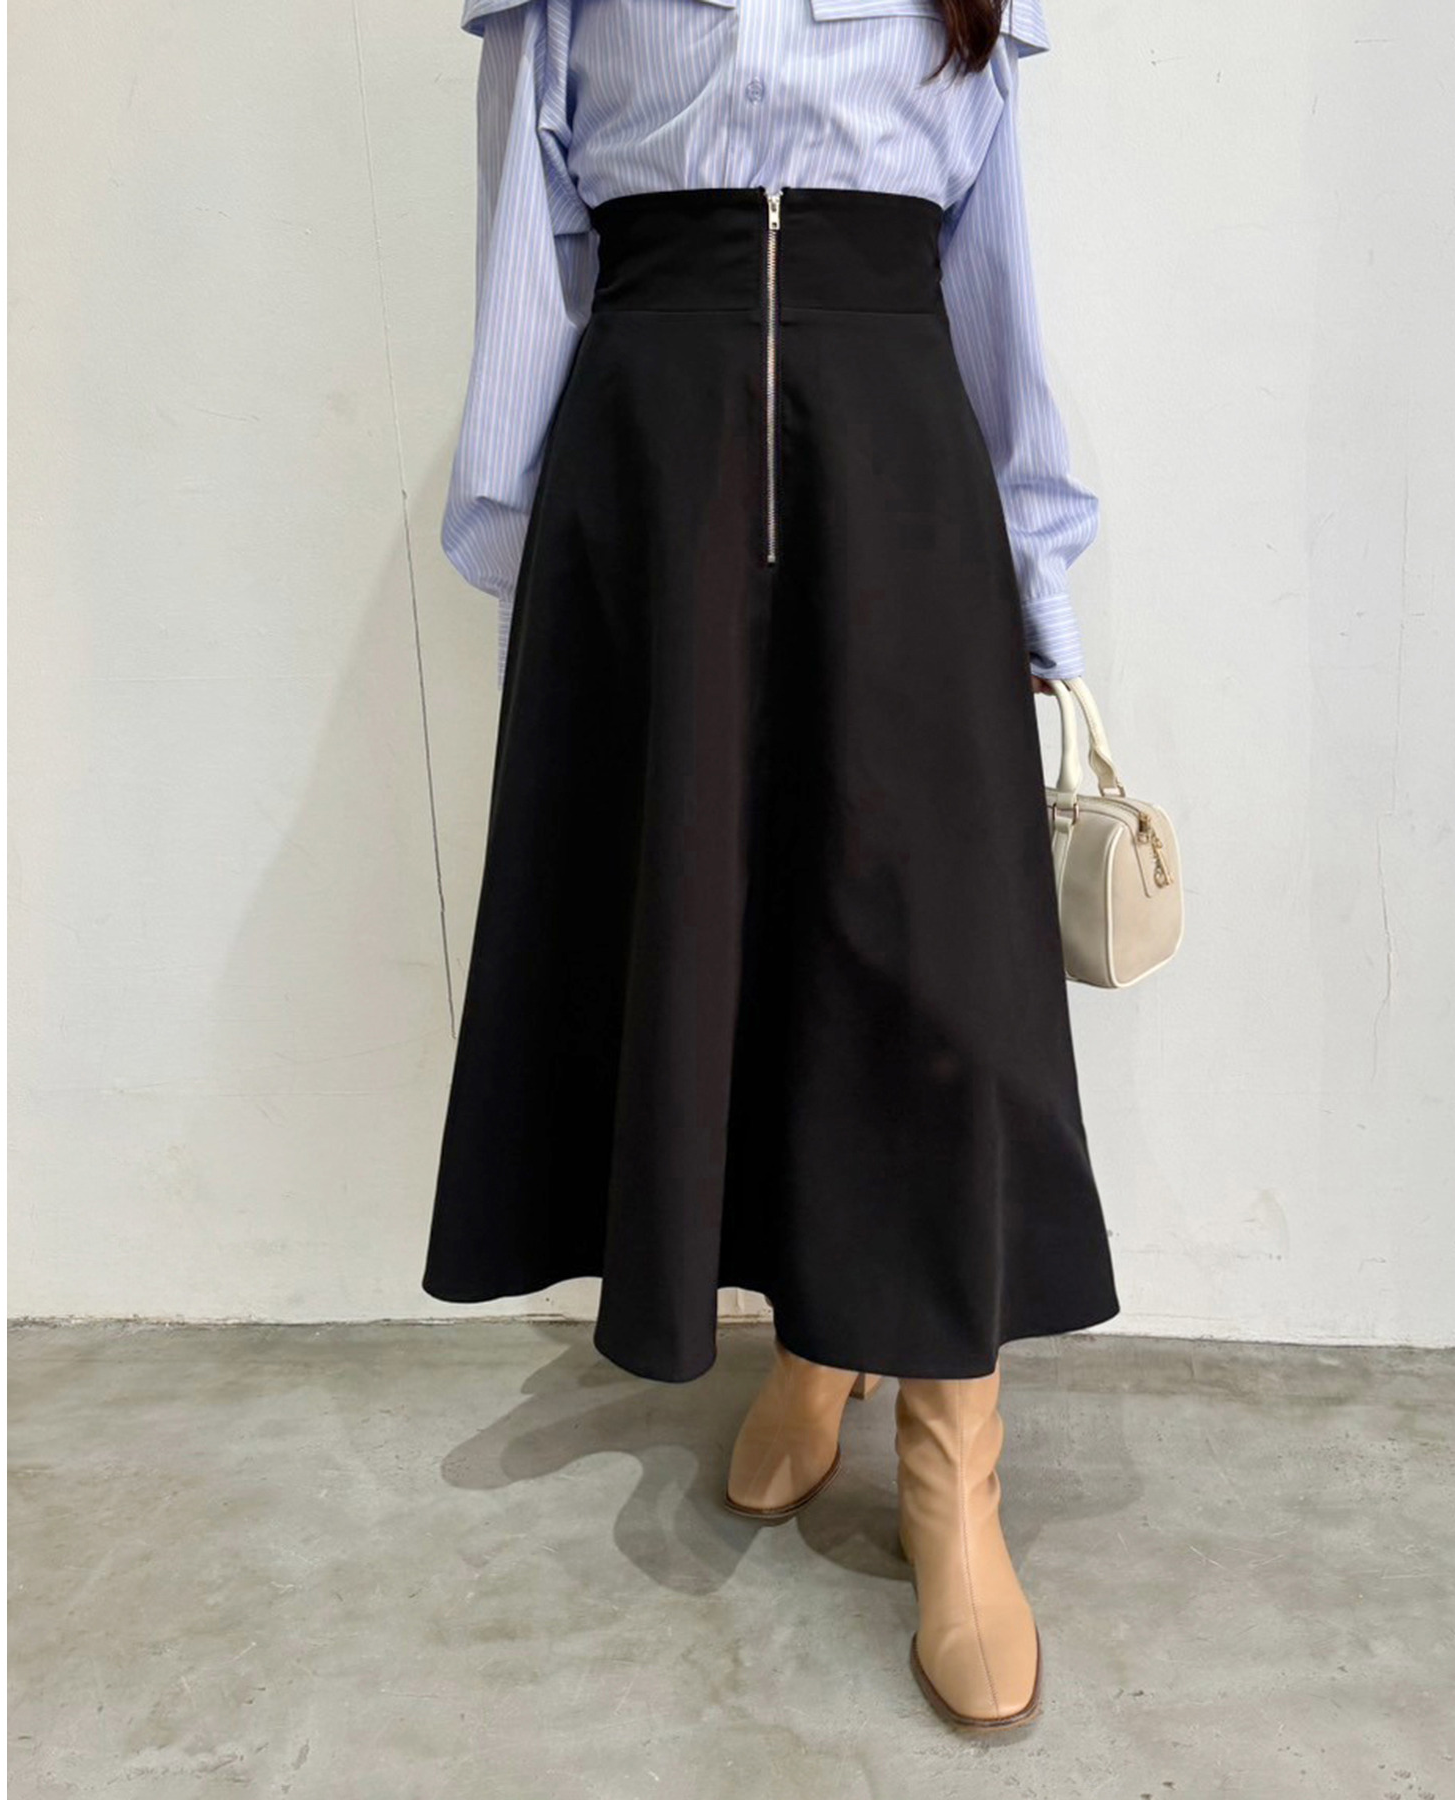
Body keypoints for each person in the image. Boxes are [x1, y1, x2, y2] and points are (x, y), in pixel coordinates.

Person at [421, 0, 1118, 1732]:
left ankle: (953, 1458)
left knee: (934, 973)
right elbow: (530, 238)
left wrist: (1037, 570)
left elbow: (992, 263)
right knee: (715, 931)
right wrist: (529, 540)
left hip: (898, 452)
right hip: (654, 460)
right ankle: (818, 1343)